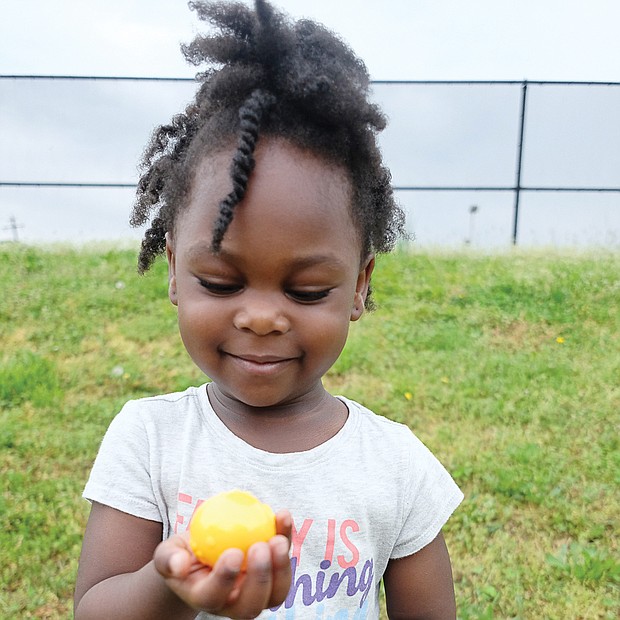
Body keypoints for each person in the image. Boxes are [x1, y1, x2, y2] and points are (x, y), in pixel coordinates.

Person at [74, 1, 464, 618]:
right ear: (175, 271)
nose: (261, 317)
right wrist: (168, 585)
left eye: (307, 291)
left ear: (359, 285)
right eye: (222, 282)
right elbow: (94, 608)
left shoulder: (396, 466)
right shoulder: (149, 441)